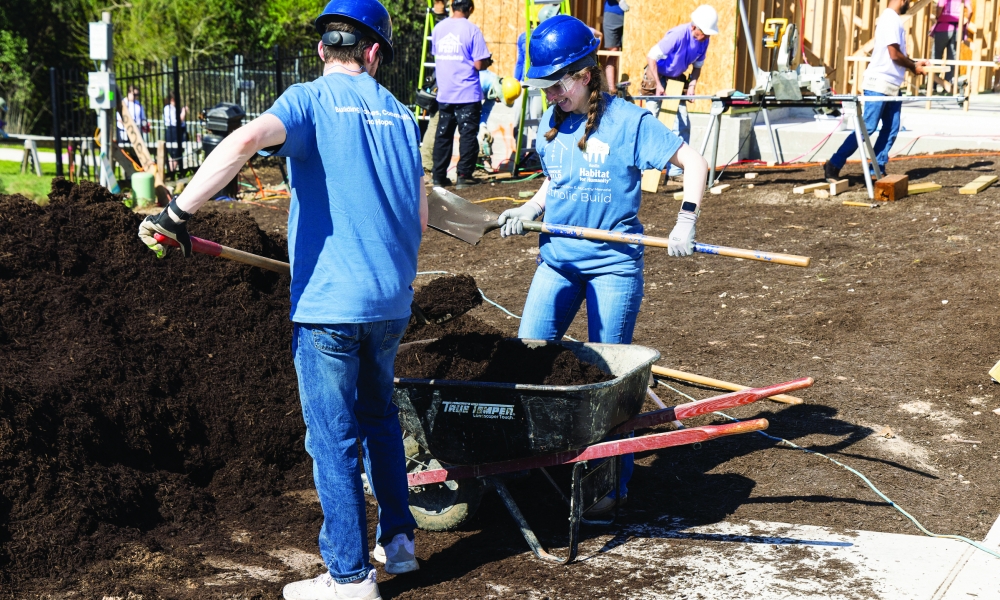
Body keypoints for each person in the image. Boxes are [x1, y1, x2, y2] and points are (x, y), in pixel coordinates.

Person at [138, 1, 426, 598]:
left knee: (333, 439)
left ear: (325, 47)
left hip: (330, 307)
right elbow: (419, 214)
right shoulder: (401, 115)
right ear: (375, 52)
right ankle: (398, 545)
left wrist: (177, 212)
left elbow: (244, 139)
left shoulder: (308, 99)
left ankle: (349, 578)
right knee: (380, 423)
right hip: (391, 303)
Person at [495, 15, 709, 516]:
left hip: (613, 267)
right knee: (527, 359)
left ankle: (611, 482)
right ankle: (528, 462)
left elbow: (695, 164)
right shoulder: (554, 121)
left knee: (609, 381)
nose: (549, 94)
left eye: (556, 85)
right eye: (544, 86)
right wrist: (530, 208)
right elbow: (558, 178)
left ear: (584, 75)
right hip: (557, 261)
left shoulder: (630, 123)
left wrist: (686, 220)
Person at [824, 0, 928, 182]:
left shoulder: (892, 20)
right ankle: (834, 164)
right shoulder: (891, 19)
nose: (908, 3)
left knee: (891, 128)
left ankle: (876, 169)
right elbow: (893, 54)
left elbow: (896, 53)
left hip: (891, 84)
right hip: (879, 83)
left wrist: (913, 63)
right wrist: (912, 66)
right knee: (867, 127)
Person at [642, 5, 718, 179]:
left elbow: (697, 67)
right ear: (693, 27)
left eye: (707, 34)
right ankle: (645, 173)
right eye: (703, 33)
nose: (706, 37)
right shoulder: (677, 35)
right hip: (657, 74)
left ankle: (675, 172)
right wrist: (659, 86)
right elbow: (651, 56)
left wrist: (691, 86)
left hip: (676, 78)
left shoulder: (704, 40)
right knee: (651, 119)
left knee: (682, 123)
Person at [430, 0, 491, 189]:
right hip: (467, 93)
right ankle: (464, 176)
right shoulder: (472, 30)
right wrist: (489, 61)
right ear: (470, 8)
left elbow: (437, 55)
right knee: (467, 135)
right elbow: (479, 64)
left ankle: (438, 177)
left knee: (443, 135)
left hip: (445, 92)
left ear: (452, 7)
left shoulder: (439, 29)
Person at [931, 0, 970, 91]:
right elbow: (970, 10)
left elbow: (940, 7)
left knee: (936, 56)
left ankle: (934, 83)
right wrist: (967, 22)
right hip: (957, 28)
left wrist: (938, 17)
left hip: (943, 27)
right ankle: (949, 84)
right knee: (952, 58)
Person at [602, 0, 629, 93]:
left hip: (634, 15)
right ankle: (611, 90)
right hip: (614, 13)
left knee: (630, 50)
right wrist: (620, 1)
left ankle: (621, 88)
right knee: (613, 51)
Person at [163, 92, 187, 171]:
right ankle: (171, 171)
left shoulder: (175, 108)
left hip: (179, 131)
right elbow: (178, 121)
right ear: (173, 99)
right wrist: (183, 112)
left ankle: (172, 171)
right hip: (173, 131)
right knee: (174, 154)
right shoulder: (168, 108)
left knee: (177, 153)